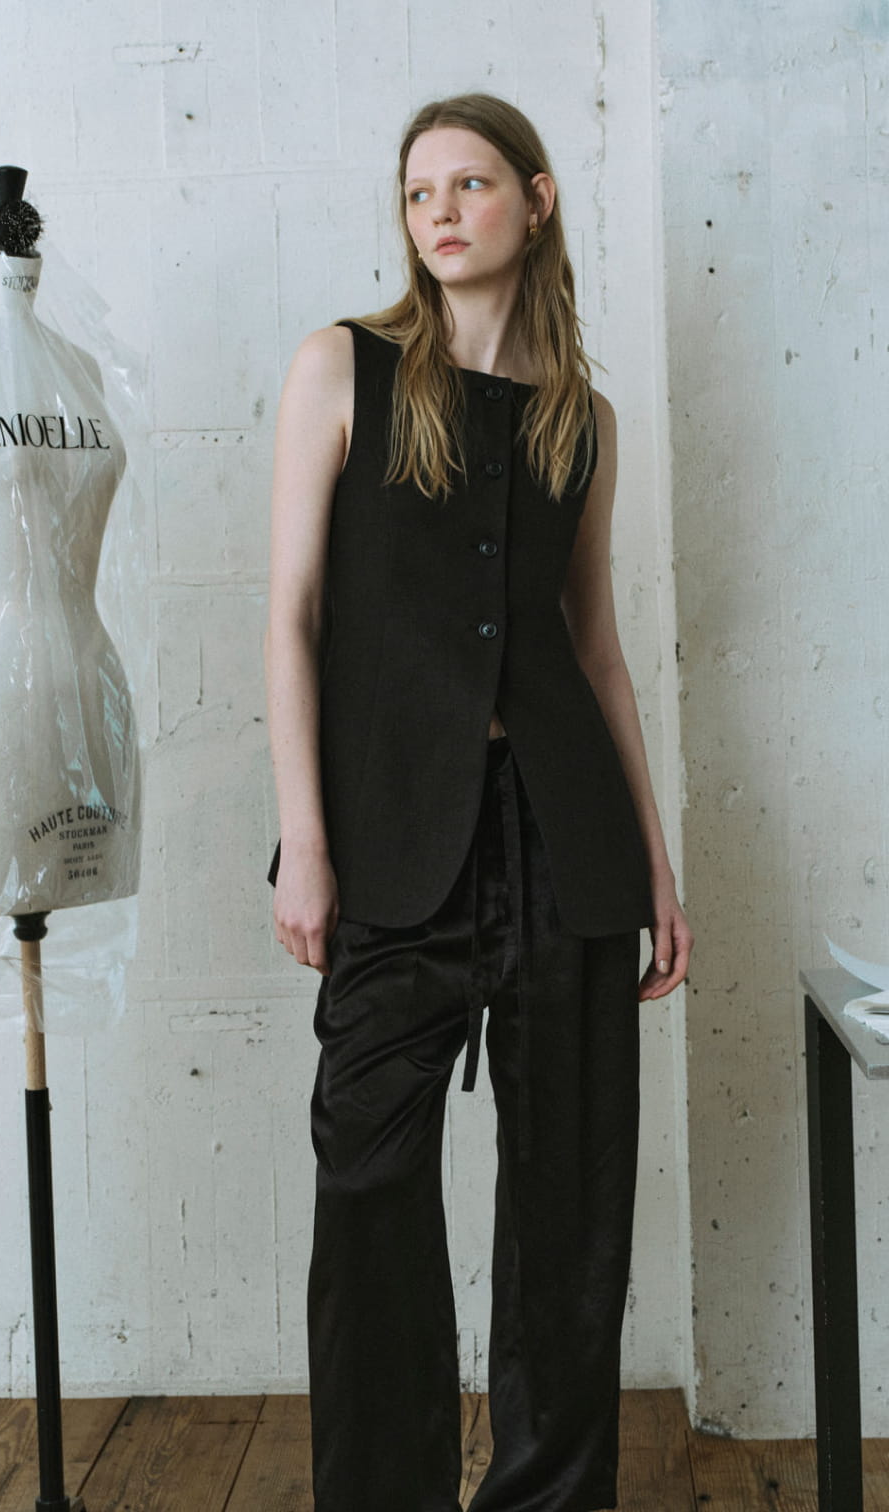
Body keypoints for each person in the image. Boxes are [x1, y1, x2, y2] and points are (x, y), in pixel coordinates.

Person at [264, 92, 692, 1512]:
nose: (440, 213)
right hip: (391, 838)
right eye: (419, 192)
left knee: (569, 1212)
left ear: (539, 200)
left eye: (471, 184)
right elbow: (293, 614)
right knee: (368, 1187)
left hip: (566, 841)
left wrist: (656, 869)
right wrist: (306, 843)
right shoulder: (345, 367)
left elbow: (596, 651)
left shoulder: (585, 422)